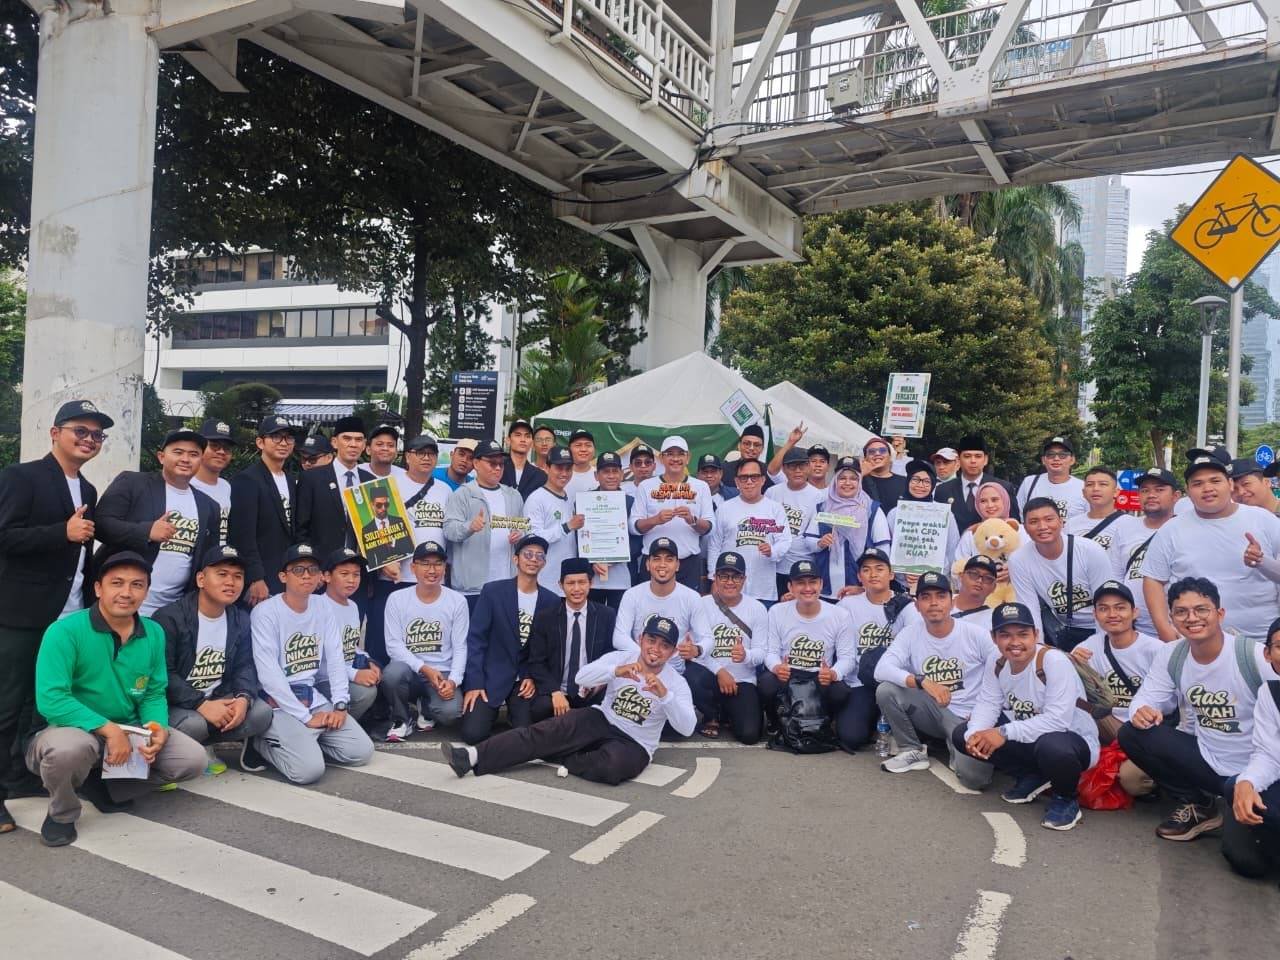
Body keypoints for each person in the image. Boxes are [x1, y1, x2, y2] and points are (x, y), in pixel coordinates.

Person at [26, 552, 206, 846]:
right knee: (68, 751)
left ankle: (106, 786)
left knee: (192, 760)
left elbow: (153, 690)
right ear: (98, 588)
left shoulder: (154, 632)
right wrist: (109, 729)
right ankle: (62, 813)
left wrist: (156, 727)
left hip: (129, 728)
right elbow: (51, 699)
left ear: (147, 591)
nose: (126, 593)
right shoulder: (64, 632)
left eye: (137, 585)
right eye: (117, 583)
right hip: (67, 729)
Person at [0, 399, 108, 834]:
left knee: (43, 704)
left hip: (66, 618)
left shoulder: (87, 490)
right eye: (79, 431)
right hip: (19, 614)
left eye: (96, 435)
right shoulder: (21, 477)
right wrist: (58, 532)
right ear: (55, 432)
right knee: (6, 706)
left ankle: (19, 778)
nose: (88, 440)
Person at [442, 614, 695, 786]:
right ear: (641, 639)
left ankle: (560, 755)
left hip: (636, 742)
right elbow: (581, 677)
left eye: (664, 645)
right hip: (602, 718)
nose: (655, 649)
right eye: (651, 640)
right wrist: (614, 672)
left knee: (612, 767)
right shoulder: (622, 657)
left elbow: (687, 727)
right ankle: (471, 757)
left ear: (672, 652)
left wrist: (665, 696)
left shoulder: (675, 682)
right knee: (542, 732)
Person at [1119, 578, 1269, 858]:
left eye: (1202, 609)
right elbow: (1146, 696)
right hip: (1206, 758)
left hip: (1257, 771)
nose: (1192, 618)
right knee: (1132, 733)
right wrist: (1142, 710)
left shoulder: (1253, 656)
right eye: (1181, 611)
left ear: (1220, 614)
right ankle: (1199, 805)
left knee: (1246, 860)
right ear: (1172, 618)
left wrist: (1256, 777)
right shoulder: (1172, 654)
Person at [952, 601, 1100, 831]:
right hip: (1029, 736)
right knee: (962, 734)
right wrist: (975, 734)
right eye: (1005, 635)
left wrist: (1002, 732)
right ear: (994, 638)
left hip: (1072, 741)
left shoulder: (1053, 661)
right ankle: (1032, 776)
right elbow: (988, 703)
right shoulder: (997, 661)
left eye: (1023, 634)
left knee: (1052, 745)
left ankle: (1065, 798)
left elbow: (1057, 721)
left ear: (1036, 634)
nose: (1015, 642)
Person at [250, 543, 374, 784]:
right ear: (283, 576)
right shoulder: (265, 612)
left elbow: (336, 658)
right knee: (308, 772)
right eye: (298, 570)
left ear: (320, 577)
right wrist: (305, 718)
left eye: (312, 569)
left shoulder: (322, 606)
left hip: (312, 697)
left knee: (361, 751)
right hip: (277, 702)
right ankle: (259, 743)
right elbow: (269, 675)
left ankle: (305, 742)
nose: (306, 575)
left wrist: (339, 704)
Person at [154, 544, 272, 775]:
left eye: (238, 576)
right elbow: (163, 674)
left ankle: (205, 746)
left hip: (219, 698)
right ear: (200, 579)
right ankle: (170, 757)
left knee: (261, 712)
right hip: (178, 705)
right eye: (222, 574)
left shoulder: (240, 619)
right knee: (193, 723)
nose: (231, 582)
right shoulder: (169, 618)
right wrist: (200, 703)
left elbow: (245, 666)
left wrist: (243, 698)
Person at [1142, 449, 1280, 642]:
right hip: (1193, 642)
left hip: (1259, 639)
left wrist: (1261, 561)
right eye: (1198, 484)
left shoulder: (1264, 520)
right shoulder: (1171, 529)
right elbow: (1153, 580)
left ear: (1230, 484)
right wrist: (1164, 629)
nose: (1207, 488)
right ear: (1188, 492)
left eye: (1215, 481)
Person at [874, 571, 995, 780]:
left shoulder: (975, 634)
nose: (934, 603)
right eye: (926, 597)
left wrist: (984, 713)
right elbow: (881, 669)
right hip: (932, 711)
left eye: (940, 596)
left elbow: (1001, 671)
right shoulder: (911, 633)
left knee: (975, 779)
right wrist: (921, 681)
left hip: (968, 719)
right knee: (886, 690)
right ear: (917, 605)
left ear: (951, 601)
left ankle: (954, 746)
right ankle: (911, 749)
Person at [95, 428, 221, 617]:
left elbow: (207, 557)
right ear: (161, 457)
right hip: (121, 603)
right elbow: (101, 524)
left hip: (174, 610)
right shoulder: (132, 483)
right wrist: (146, 532)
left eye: (193, 454)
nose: (185, 459)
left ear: (200, 460)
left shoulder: (209, 505)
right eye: (178, 452)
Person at [458, 535, 559, 744]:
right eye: (528, 554)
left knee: (525, 734)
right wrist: (474, 683)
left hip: (524, 681)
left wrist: (532, 676)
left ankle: (514, 715)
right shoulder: (493, 592)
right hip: (490, 677)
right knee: (473, 734)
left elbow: (547, 649)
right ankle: (490, 713)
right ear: (516, 559)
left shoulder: (551, 600)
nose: (533, 559)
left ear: (544, 563)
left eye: (539, 556)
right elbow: (476, 640)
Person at [1069, 580, 1163, 798]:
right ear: (1095, 614)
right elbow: (1074, 698)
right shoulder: (1087, 648)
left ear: (1135, 612)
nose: (1112, 614)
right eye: (1104, 608)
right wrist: (1074, 666)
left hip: (1143, 729)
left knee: (1134, 783)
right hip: (1106, 726)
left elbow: (1170, 701)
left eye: (1120, 607)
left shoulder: (1156, 650)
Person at [381, 540, 470, 740]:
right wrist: (423, 668)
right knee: (392, 674)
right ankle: (401, 719)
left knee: (451, 713)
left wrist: (454, 681)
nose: (432, 570)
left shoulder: (457, 601)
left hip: (442, 672)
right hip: (410, 671)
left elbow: (460, 646)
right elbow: (393, 646)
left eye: (438, 564)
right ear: (413, 568)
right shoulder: (397, 599)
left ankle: (427, 708)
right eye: (425, 563)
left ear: (445, 568)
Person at [758, 559, 855, 731]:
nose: (807, 588)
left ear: (821, 584)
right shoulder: (777, 611)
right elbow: (770, 651)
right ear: (790, 587)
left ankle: (825, 721)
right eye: (800, 583)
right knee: (766, 683)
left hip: (819, 675)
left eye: (813, 582)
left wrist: (834, 673)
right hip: (789, 673)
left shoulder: (840, 615)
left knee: (840, 691)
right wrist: (777, 667)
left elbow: (847, 658)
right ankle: (776, 721)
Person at [1008, 497, 1114, 650]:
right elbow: (1030, 608)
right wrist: (1039, 651)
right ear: (1024, 527)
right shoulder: (1018, 560)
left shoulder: (1090, 550)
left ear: (1061, 521)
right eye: (1034, 522)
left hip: (1102, 626)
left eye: (1049, 519)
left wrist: (1099, 647)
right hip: (1063, 629)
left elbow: (1107, 601)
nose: (1042, 526)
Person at [525, 558, 618, 723]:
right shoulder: (546, 617)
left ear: (591, 583)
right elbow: (536, 662)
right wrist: (554, 691)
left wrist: (599, 683)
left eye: (582, 582)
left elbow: (611, 655)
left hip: (591, 689)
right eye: (570, 583)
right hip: (558, 689)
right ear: (561, 585)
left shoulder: (606, 615)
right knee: (539, 711)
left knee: (608, 714)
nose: (577, 589)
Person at [687, 552, 767, 742]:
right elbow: (696, 650)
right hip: (710, 676)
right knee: (691, 675)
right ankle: (712, 715)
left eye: (736, 576)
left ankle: (728, 714)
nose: (730, 582)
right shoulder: (701, 604)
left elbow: (762, 652)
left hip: (742, 680)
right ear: (715, 577)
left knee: (749, 735)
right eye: (724, 576)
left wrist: (746, 655)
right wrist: (720, 671)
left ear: (744, 579)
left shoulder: (757, 608)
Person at [443, 439, 526, 607]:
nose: (497, 468)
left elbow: (522, 528)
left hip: (506, 584)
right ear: (476, 463)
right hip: (472, 588)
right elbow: (449, 530)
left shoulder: (513, 495)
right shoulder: (462, 494)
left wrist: (520, 535)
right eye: (492, 463)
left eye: (501, 464)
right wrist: (469, 527)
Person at [1227, 619, 1280, 878]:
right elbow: (1269, 754)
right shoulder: (1270, 693)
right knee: (1246, 861)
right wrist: (1247, 782)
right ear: (1268, 654)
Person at [228, 415, 297, 606]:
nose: (283, 443)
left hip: (286, 576)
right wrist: (255, 577)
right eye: (276, 437)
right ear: (260, 442)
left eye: (288, 438)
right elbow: (243, 535)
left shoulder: (292, 481)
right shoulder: (247, 480)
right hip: (261, 579)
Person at [630, 436, 714, 591]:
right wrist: (655, 520)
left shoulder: (701, 487)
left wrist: (693, 520)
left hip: (688, 562)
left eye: (680, 454)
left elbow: (709, 527)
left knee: (688, 612)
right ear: (661, 458)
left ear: (688, 458)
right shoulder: (646, 486)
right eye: (669, 454)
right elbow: (634, 527)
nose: (675, 459)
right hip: (654, 562)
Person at [706, 458, 792, 603]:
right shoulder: (725, 508)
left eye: (754, 477)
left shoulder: (775, 509)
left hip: (763, 589)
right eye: (744, 477)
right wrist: (713, 577)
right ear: (737, 481)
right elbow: (714, 546)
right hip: (728, 588)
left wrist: (772, 551)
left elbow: (785, 541)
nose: (749, 481)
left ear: (763, 480)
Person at [1110, 467, 1180, 636]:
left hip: (1177, 628)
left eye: (1159, 489)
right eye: (1145, 490)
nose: (1151, 495)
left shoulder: (1185, 529)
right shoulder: (1124, 528)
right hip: (1133, 629)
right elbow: (1115, 576)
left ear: (1176, 496)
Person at [295, 415, 374, 558]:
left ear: (364, 445)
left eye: (358, 440)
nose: (353, 444)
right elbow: (301, 528)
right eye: (347, 438)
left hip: (359, 567)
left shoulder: (371, 481)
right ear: (335, 442)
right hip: (322, 565)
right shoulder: (312, 478)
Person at [812, 457, 891, 599]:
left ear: (859, 481)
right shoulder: (823, 507)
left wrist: (867, 586)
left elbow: (883, 549)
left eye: (853, 478)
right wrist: (820, 543)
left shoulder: (871, 509)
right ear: (835, 480)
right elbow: (809, 541)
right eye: (842, 478)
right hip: (826, 589)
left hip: (860, 590)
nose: (847, 483)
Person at [612, 538, 701, 660]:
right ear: (648, 564)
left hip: (677, 668)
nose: (662, 564)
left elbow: (707, 638)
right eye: (657, 559)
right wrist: (647, 654)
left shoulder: (692, 597)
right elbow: (619, 637)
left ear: (677, 565)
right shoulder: (632, 595)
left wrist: (697, 649)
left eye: (669, 559)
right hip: (639, 665)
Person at [320, 548, 379, 720]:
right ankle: (332, 729)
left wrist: (369, 661)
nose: (351, 580)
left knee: (376, 678)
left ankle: (339, 725)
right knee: (365, 693)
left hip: (345, 671)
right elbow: (319, 661)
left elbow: (350, 646)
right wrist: (355, 674)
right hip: (323, 679)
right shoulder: (318, 607)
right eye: (344, 574)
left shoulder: (353, 606)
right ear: (327, 576)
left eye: (356, 574)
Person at [766, 446, 826, 600]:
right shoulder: (772, 492)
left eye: (802, 465)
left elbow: (814, 533)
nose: (798, 471)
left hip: (803, 564)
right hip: (772, 563)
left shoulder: (818, 496)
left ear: (809, 467)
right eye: (792, 466)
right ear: (784, 469)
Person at [522, 446, 583, 597]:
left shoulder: (568, 498)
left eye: (568, 468)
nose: (564, 473)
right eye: (559, 468)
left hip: (566, 583)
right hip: (544, 582)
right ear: (547, 468)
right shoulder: (536, 498)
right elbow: (533, 539)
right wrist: (567, 527)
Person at [885, 459, 960, 570]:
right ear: (908, 482)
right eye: (915, 479)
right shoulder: (895, 513)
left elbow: (952, 549)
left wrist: (941, 574)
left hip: (935, 580)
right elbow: (888, 548)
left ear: (933, 485)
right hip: (901, 582)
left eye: (926, 481)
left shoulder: (945, 514)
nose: (920, 485)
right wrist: (902, 574)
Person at [934, 434, 1020, 530]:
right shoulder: (943, 490)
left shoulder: (1003, 487)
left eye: (978, 456)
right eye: (967, 456)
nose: (973, 461)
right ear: (958, 460)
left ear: (985, 460)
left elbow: (1015, 525)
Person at [587, 451, 634, 608]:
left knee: (617, 625)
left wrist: (614, 558)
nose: (611, 476)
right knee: (593, 627)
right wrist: (591, 561)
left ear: (622, 474)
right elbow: (578, 539)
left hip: (620, 580)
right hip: (592, 580)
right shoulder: (585, 501)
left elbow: (637, 540)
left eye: (615, 471)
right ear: (596, 475)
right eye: (606, 472)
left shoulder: (631, 503)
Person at [1063, 467, 1138, 555]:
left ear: (1116, 492)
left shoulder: (1131, 524)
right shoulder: (1071, 524)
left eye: (1103, 484)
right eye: (1090, 485)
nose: (1095, 489)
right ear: (1083, 492)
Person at [1016, 436, 1086, 521]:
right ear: (1043, 460)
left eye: (1062, 455)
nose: (1056, 459)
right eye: (1050, 455)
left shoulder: (1083, 488)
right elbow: (1019, 516)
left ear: (1072, 460)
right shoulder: (1029, 483)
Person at [190, 419, 236, 543]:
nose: (221, 452)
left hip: (220, 558)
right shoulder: (186, 485)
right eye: (214, 445)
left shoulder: (226, 486)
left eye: (226, 448)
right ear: (199, 448)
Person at [359, 481, 412, 572]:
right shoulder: (367, 529)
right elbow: (370, 560)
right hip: (382, 575)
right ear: (372, 505)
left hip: (404, 568)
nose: (383, 508)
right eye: (379, 505)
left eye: (386, 504)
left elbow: (410, 547)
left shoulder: (399, 521)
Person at [502, 419, 547, 500]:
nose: (523, 440)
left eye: (527, 436)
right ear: (508, 440)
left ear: (532, 443)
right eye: (518, 435)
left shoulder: (540, 476)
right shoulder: (497, 469)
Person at [951, 555, 999, 632]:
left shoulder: (994, 621)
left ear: (994, 587)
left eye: (988, 578)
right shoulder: (939, 602)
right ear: (961, 577)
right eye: (974, 574)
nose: (979, 581)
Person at [860, 436, 908, 511]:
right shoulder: (857, 481)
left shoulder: (905, 482)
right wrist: (860, 475)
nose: (877, 453)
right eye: (872, 451)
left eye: (882, 450)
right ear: (865, 458)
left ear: (890, 456)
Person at [721, 425, 771, 495]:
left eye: (756, 445)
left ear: (762, 449)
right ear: (739, 445)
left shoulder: (768, 473)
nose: (751, 448)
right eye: (747, 444)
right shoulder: (723, 470)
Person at [564, 429, 598, 502]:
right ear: (569, 449)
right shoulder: (561, 475)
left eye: (588, 445)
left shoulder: (601, 475)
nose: (583, 449)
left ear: (594, 449)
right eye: (578, 445)